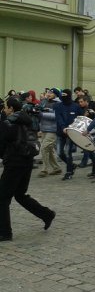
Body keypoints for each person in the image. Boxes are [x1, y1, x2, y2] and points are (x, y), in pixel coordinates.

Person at [0, 97, 56, 241]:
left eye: (6, 107)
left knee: (2, 198)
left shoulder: (7, 123)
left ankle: (5, 233)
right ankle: (47, 214)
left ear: (11, 109)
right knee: (20, 194)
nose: (4, 109)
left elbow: (2, 145)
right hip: (27, 161)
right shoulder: (28, 120)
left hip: (14, 163)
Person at [54, 89, 83, 180]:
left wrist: (74, 128)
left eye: (65, 95)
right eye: (62, 95)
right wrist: (63, 127)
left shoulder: (76, 106)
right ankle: (71, 165)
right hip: (61, 132)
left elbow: (80, 118)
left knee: (68, 153)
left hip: (72, 133)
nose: (63, 97)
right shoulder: (58, 106)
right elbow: (58, 118)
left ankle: (69, 172)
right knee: (59, 152)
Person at [37, 89, 62, 177]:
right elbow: (39, 112)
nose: (49, 94)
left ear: (56, 94)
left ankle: (44, 170)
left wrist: (42, 114)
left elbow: (56, 116)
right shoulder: (44, 102)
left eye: (51, 93)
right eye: (48, 92)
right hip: (44, 128)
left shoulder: (58, 104)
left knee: (44, 148)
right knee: (49, 150)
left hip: (53, 130)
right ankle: (57, 168)